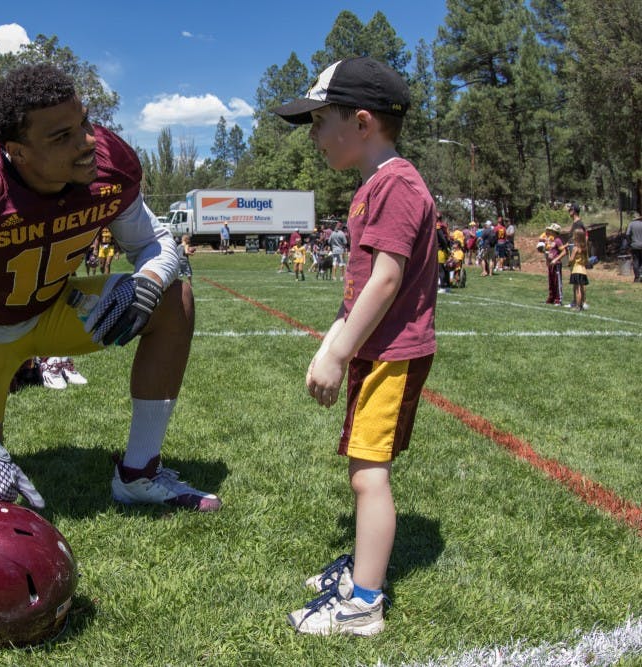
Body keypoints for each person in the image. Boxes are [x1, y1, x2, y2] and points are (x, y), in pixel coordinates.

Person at [0, 64, 221, 513]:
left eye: (85, 123)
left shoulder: (107, 165)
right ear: (16, 151)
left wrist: (149, 283)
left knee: (174, 298)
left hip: (58, 309)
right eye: (61, 137)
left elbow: (155, 242)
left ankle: (139, 473)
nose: (87, 142)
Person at [273, 56, 437, 636]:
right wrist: (334, 342)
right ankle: (362, 571)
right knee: (363, 470)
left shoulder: (396, 185)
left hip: (391, 355)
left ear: (362, 123)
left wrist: (340, 352)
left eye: (321, 122)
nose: (314, 135)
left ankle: (364, 603)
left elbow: (386, 280)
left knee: (370, 476)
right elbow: (359, 289)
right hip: (374, 351)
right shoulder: (374, 187)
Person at [544, 222, 566, 305]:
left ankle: (558, 299)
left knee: (557, 281)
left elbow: (564, 252)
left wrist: (556, 259)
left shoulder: (558, 240)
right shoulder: (553, 240)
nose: (550, 232)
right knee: (551, 281)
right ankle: (551, 297)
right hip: (551, 264)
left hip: (556, 264)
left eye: (551, 230)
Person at [567, 228, 589, 311]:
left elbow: (571, 259)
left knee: (577, 289)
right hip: (583, 270)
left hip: (576, 270)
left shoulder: (575, 248)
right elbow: (587, 261)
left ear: (577, 237)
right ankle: (582, 304)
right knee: (582, 288)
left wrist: (569, 260)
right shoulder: (585, 249)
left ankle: (577, 306)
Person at [628, 213, 642, 282]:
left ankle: (637, 278)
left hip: (634, 246)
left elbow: (627, 234)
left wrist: (629, 242)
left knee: (636, 261)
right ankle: (641, 276)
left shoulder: (631, 224)